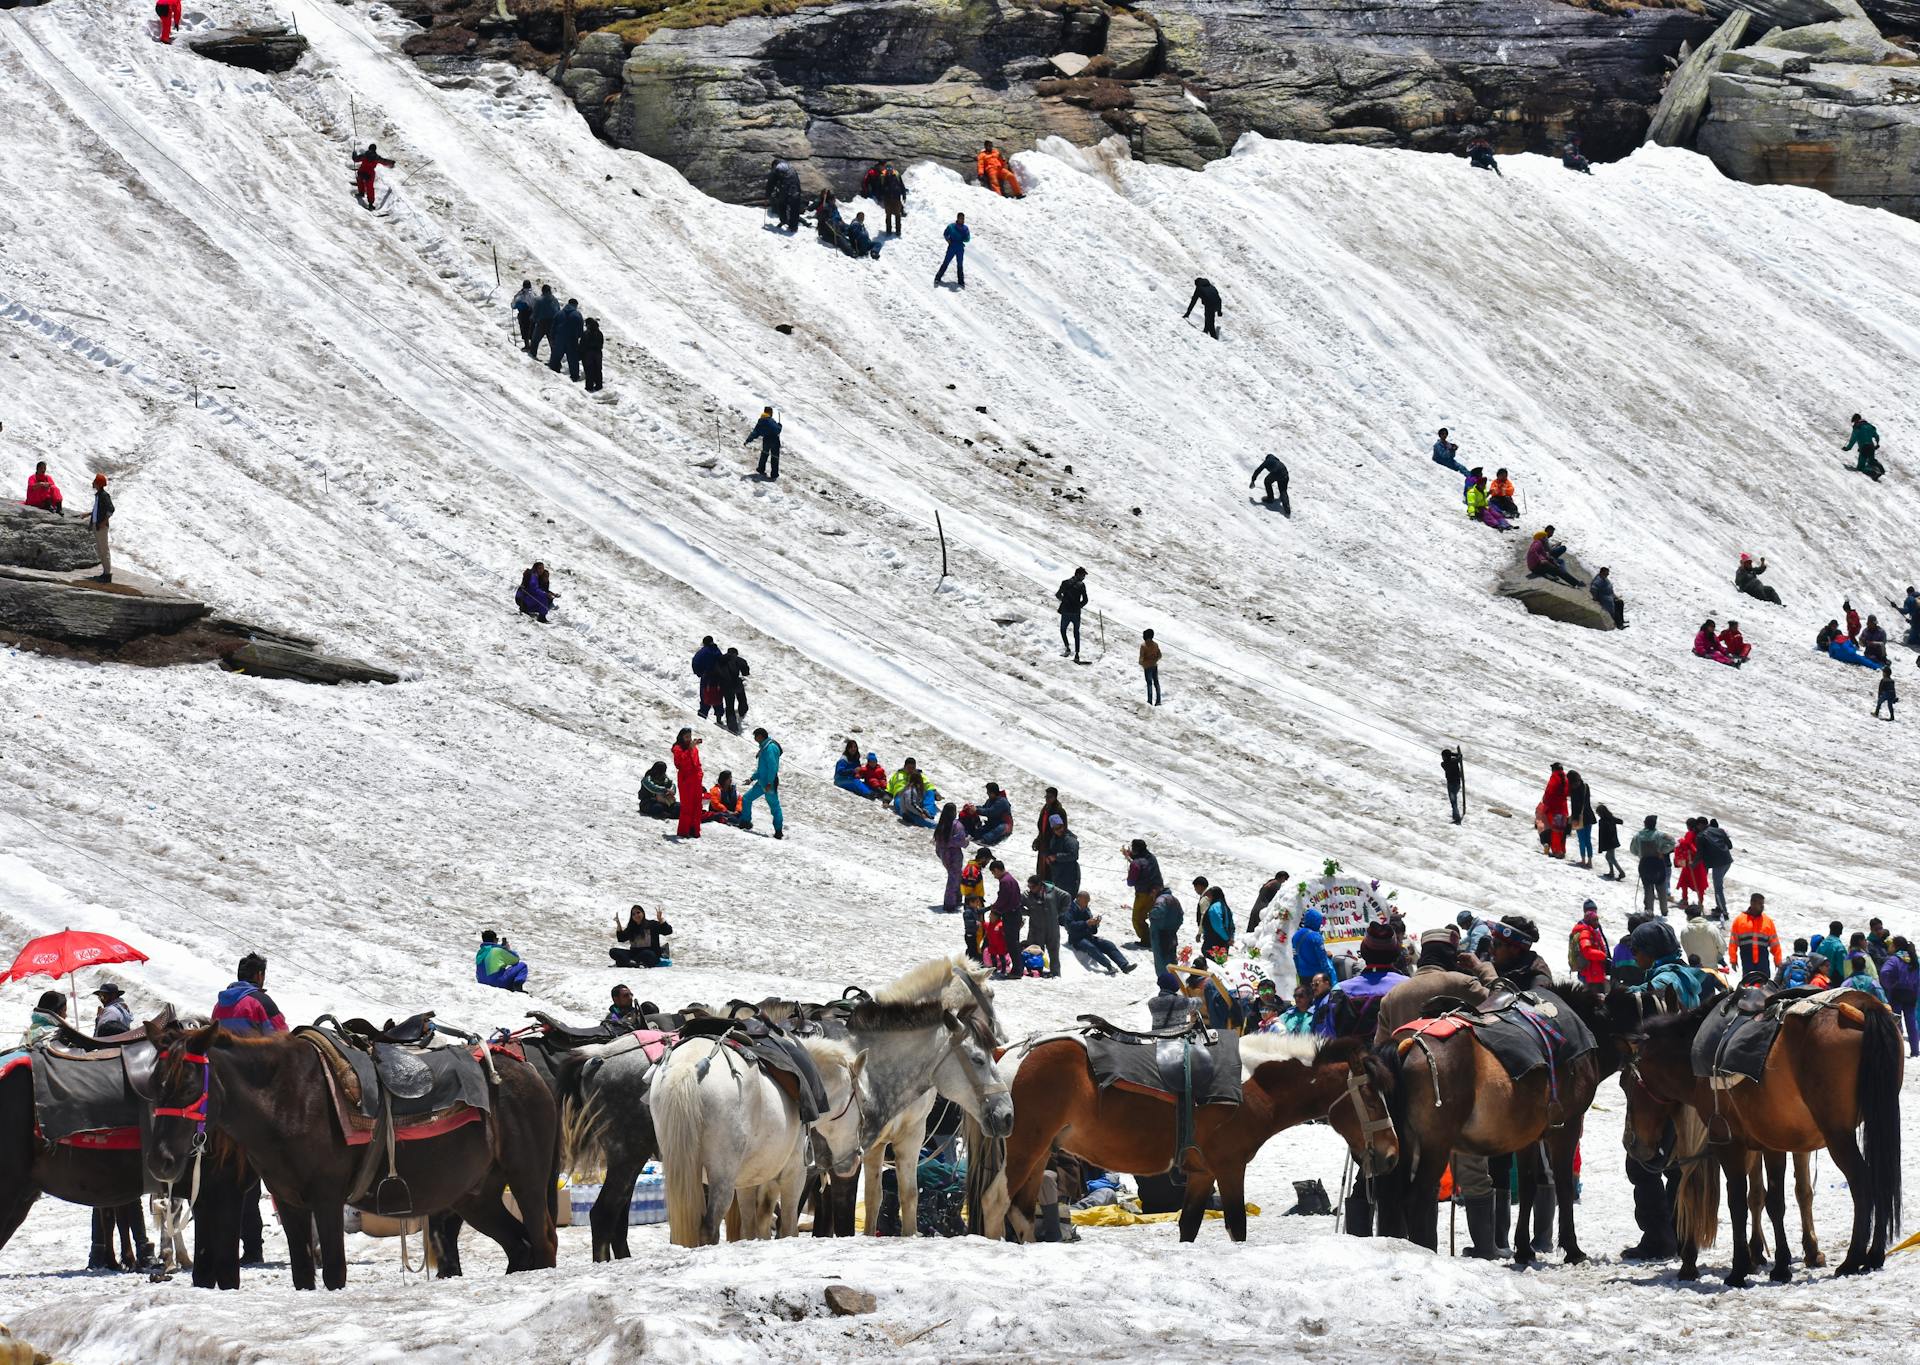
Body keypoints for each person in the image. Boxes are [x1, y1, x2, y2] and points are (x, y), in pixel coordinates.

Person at [1321, 923, 1408, 1039]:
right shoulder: (1409, 987)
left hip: (1352, 1055)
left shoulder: (1339, 991)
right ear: (1395, 954)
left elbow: (1327, 1037)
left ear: (1364, 953)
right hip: (1399, 1056)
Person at [213, 953, 288, 1033]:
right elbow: (283, 1037)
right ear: (259, 975)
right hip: (248, 1045)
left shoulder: (219, 1005)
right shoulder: (262, 1002)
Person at [1064, 891, 1133, 974]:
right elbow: (1070, 926)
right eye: (1085, 901)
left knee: (1108, 944)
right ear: (1079, 899)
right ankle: (1109, 966)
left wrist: (1095, 924)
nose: (1086, 904)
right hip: (1076, 938)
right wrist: (1086, 923)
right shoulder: (1070, 908)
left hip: (1088, 936)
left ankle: (1124, 965)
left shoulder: (1086, 909)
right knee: (1091, 947)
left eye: (1088, 902)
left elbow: (1093, 931)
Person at [738, 728, 784, 839]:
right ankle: (746, 822)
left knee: (774, 807)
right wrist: (752, 778)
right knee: (746, 799)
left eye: (755, 736)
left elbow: (773, 767)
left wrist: (769, 782)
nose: (754, 739)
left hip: (768, 783)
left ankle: (778, 831)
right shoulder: (765, 747)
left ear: (760, 736)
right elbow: (762, 768)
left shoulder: (770, 748)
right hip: (762, 782)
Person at [1729, 893, 1782, 983]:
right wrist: (1733, 959)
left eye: (1763, 904)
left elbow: (1775, 943)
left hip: (1763, 962)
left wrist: (1778, 960)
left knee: (1764, 986)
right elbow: (1733, 942)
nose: (1762, 907)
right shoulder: (1740, 920)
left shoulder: (1767, 921)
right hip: (1747, 960)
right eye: (1760, 904)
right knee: (1748, 986)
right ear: (1752, 903)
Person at [1024, 875, 1069, 978]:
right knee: (1034, 950)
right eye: (1029, 886)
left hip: (1051, 927)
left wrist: (1058, 912)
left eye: (1032, 887)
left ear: (1039, 885)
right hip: (1036, 927)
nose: (1030, 889)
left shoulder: (1053, 891)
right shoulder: (1027, 894)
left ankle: (1055, 973)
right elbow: (1018, 904)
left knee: (1053, 951)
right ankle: (1035, 971)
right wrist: (1027, 912)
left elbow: (1067, 897)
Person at [1879, 938, 1918, 1055]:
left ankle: (1898, 1049)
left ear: (1896, 946)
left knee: (1896, 1022)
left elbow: (1884, 973)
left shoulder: (1894, 960)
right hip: (1911, 994)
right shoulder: (1914, 960)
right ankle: (1915, 1050)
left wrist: (1889, 985)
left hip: (1897, 993)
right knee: (1911, 1021)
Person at [1629, 815, 1674, 916]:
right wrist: (1663, 851)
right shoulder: (1660, 835)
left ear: (1645, 823)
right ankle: (1664, 910)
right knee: (1661, 887)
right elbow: (1672, 842)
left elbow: (1632, 849)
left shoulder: (1638, 835)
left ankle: (1649, 910)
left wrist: (1640, 854)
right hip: (1658, 863)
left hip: (1645, 864)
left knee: (1648, 888)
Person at [1123, 838, 1163, 945]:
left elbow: (1130, 882)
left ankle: (1147, 940)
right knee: (1151, 916)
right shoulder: (1151, 857)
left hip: (1144, 894)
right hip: (1157, 892)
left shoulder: (1136, 864)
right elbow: (1141, 860)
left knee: (1138, 918)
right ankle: (1154, 938)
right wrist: (1129, 855)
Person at [1696, 818, 1733, 919]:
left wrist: (1693, 864)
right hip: (1727, 860)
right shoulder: (1720, 830)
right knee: (1718, 885)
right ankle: (1719, 907)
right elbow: (1730, 846)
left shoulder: (1701, 836)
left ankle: (1724, 911)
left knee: (1718, 887)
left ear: (1700, 825)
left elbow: (1700, 854)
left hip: (1718, 864)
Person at [670, 728, 704, 839]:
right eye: (686, 737)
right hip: (686, 780)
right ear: (681, 737)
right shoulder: (677, 748)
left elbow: (697, 763)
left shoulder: (694, 749)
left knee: (697, 805)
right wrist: (689, 749)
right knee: (687, 806)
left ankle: (694, 830)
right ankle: (684, 831)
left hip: (696, 779)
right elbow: (679, 764)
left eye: (690, 736)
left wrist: (699, 775)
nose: (689, 739)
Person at [934, 803, 968, 912]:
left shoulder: (941, 824)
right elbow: (961, 841)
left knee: (955, 876)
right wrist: (967, 841)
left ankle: (957, 898)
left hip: (943, 854)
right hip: (954, 855)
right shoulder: (956, 825)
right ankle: (950, 903)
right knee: (954, 878)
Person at [1291, 907, 1336, 988]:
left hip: (1303, 976)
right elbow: (1322, 959)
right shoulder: (1316, 937)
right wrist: (1328, 975)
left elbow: (1295, 957)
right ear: (1316, 921)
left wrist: (1299, 972)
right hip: (1317, 977)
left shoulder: (1295, 936)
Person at [989, 859, 1025, 960]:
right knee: (1014, 942)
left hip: (1011, 915)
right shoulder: (1010, 879)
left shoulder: (1005, 881)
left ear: (996, 870)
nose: (994, 876)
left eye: (993, 873)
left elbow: (1003, 899)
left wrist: (995, 909)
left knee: (1012, 943)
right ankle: (1017, 968)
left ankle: (1016, 970)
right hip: (1015, 913)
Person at [1569, 901, 1610, 987]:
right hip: (1590, 972)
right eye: (1590, 910)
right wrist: (1603, 956)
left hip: (1593, 970)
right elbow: (1587, 951)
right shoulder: (1585, 931)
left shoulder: (1591, 927)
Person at [1672, 819, 1708, 913]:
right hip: (1699, 862)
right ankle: (1700, 903)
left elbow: (1687, 844)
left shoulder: (1690, 834)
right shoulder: (1702, 833)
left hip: (1690, 862)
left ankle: (1685, 899)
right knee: (1699, 883)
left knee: (1685, 882)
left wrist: (1681, 842)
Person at [1148, 886, 1184, 977]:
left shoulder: (1161, 899)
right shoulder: (1175, 900)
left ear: (1155, 890)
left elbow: (1158, 911)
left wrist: (1150, 914)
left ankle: (1165, 985)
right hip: (1171, 935)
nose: (1151, 896)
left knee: (1161, 962)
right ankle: (1175, 983)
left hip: (1160, 936)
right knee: (1172, 961)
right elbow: (1180, 918)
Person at [1679, 904, 1726, 972]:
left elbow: (1686, 949)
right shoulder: (1712, 929)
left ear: (1689, 916)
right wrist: (1716, 957)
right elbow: (1722, 947)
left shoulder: (1685, 931)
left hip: (1695, 970)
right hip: (1712, 970)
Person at [714, 646, 751, 731]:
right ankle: (742, 711)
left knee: (729, 706)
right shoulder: (739, 660)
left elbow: (716, 671)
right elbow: (746, 672)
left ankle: (733, 727)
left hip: (725, 686)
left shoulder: (720, 659)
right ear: (736, 653)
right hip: (736, 683)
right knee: (742, 697)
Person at [1056, 567, 1088, 661]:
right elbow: (1085, 600)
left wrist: (1065, 602)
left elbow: (1058, 594)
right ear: (1078, 574)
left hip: (1066, 611)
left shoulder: (1065, 582)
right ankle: (1077, 655)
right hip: (1076, 613)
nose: (1084, 577)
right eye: (1083, 575)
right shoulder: (1082, 585)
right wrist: (1078, 606)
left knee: (1063, 630)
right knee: (1076, 633)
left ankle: (1067, 648)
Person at [1044, 814, 1081, 896]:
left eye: (1060, 827)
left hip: (1069, 875)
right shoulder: (1054, 838)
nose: (1059, 830)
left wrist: (1056, 857)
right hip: (1057, 874)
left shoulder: (1070, 839)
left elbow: (1073, 855)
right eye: (1056, 828)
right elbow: (1051, 850)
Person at [1566, 769, 1595, 868]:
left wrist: (1572, 818)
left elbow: (1576, 806)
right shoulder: (1586, 786)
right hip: (1589, 816)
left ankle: (1583, 860)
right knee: (1588, 840)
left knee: (1582, 840)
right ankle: (1590, 861)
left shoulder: (1574, 790)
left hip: (1578, 818)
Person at [88, 473, 113, 584]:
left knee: (104, 550)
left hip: (101, 527)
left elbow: (111, 509)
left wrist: (104, 522)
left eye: (95, 481)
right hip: (97, 526)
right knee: (101, 550)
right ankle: (105, 573)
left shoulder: (104, 495)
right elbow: (99, 510)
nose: (93, 483)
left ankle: (107, 574)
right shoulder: (99, 495)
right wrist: (89, 514)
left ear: (98, 483)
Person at [350, 144, 394, 209]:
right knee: (370, 188)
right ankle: (370, 204)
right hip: (370, 174)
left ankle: (361, 193)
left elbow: (355, 159)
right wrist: (391, 162)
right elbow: (384, 162)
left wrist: (354, 153)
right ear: (375, 149)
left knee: (360, 181)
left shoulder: (364, 155)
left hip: (361, 171)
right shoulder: (376, 157)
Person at [1540, 762, 1569, 858]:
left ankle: (1557, 851)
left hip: (1554, 808)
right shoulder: (1565, 778)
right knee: (1561, 831)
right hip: (1563, 808)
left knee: (1555, 831)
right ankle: (1562, 850)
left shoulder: (1554, 777)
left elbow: (1549, 792)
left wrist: (1545, 803)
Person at [765, 158, 803, 232]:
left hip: (786, 189)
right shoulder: (790, 167)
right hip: (796, 189)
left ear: (774, 165)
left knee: (781, 204)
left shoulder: (777, 168)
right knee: (794, 209)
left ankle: (784, 220)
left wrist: (767, 195)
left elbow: (770, 183)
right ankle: (793, 227)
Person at [1843, 413, 1885, 480]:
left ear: (1856, 420)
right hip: (1871, 446)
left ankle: (1874, 473)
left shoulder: (1857, 428)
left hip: (1864, 447)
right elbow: (1876, 436)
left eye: (1854, 421)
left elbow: (1852, 440)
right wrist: (1877, 444)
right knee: (1871, 461)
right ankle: (1881, 469)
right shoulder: (1870, 426)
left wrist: (1847, 448)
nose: (1854, 423)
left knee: (1860, 467)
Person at [690, 635, 723, 720]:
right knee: (717, 696)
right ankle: (719, 717)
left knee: (705, 696)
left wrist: (699, 673)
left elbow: (695, 662)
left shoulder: (703, 652)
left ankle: (702, 716)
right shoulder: (717, 651)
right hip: (718, 678)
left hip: (707, 677)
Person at [744, 407, 782, 480]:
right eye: (772, 412)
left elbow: (755, 432)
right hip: (774, 440)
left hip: (766, 440)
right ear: (770, 413)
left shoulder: (760, 421)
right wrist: (780, 426)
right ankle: (774, 474)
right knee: (775, 457)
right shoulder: (770, 421)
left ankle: (761, 469)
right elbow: (777, 430)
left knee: (764, 454)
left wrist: (748, 440)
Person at [1198, 888, 1236, 962]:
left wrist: (1227, 938)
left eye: (1210, 895)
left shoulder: (1214, 907)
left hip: (1214, 942)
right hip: (1224, 943)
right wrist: (1231, 937)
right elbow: (1231, 925)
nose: (1208, 898)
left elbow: (1218, 926)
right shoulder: (1225, 907)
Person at [935, 212, 969, 288]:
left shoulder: (965, 228)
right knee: (946, 262)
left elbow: (968, 239)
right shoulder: (951, 226)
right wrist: (948, 240)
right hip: (952, 246)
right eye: (961, 218)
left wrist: (965, 237)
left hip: (960, 247)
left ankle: (961, 281)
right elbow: (945, 233)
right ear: (957, 218)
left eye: (963, 218)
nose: (962, 220)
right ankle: (937, 278)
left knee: (960, 264)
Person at [527, 284, 560, 360]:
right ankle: (555, 361)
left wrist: (533, 319)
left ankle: (532, 355)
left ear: (543, 291)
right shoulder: (555, 300)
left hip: (541, 323)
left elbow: (535, 312)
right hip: (552, 323)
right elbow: (558, 310)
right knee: (552, 342)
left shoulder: (539, 300)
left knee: (535, 340)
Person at [1593, 802, 1624, 880]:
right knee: (1608, 857)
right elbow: (1620, 821)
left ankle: (1621, 872)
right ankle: (1612, 872)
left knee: (1611, 858)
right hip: (1613, 841)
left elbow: (1601, 834)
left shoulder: (1602, 821)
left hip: (1609, 842)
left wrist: (1601, 847)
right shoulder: (1611, 818)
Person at [877, 161, 907, 235]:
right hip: (887, 199)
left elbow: (901, 185)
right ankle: (888, 230)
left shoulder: (897, 175)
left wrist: (904, 195)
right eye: (887, 168)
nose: (889, 169)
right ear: (885, 169)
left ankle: (898, 230)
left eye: (890, 168)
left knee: (897, 215)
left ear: (893, 168)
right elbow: (879, 188)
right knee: (888, 215)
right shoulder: (882, 176)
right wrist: (880, 196)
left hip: (896, 198)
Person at [1441, 746, 1466, 824]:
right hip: (1457, 784)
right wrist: (1454, 754)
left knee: (1453, 802)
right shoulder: (1454, 762)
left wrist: (1451, 754)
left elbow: (1457, 757)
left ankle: (1457, 818)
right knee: (1454, 801)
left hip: (1451, 785)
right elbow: (1459, 756)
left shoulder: (1444, 764)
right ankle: (1455, 816)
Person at [580, 318, 605, 392]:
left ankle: (589, 387)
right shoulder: (599, 333)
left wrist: (581, 353)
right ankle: (599, 385)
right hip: (598, 354)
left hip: (588, 354)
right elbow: (601, 344)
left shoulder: (586, 333)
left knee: (589, 370)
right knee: (598, 370)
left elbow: (582, 344)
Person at [511, 280, 537, 349]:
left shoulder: (520, 294)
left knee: (524, 329)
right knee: (531, 329)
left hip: (522, 314)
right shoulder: (533, 293)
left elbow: (513, 305)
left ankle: (526, 345)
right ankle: (532, 345)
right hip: (531, 313)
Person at [1139, 628, 1162, 706]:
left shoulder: (1143, 646)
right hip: (1154, 666)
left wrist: (1142, 663)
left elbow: (1141, 658)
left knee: (1149, 683)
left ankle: (1149, 700)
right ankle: (1158, 701)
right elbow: (1160, 655)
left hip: (1147, 667)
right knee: (1156, 683)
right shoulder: (1155, 644)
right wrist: (1154, 660)